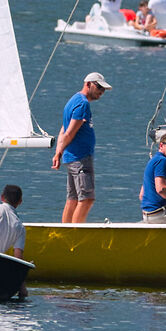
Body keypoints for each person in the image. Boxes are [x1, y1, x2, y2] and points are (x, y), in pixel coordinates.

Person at [54, 72, 110, 222]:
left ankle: (64, 233)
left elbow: (63, 130)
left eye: (103, 89)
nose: (101, 92)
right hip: (80, 158)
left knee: (73, 198)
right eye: (99, 87)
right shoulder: (82, 104)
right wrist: (58, 153)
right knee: (86, 199)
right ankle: (75, 234)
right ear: (88, 84)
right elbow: (69, 133)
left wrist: (59, 151)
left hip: (73, 157)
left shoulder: (73, 100)